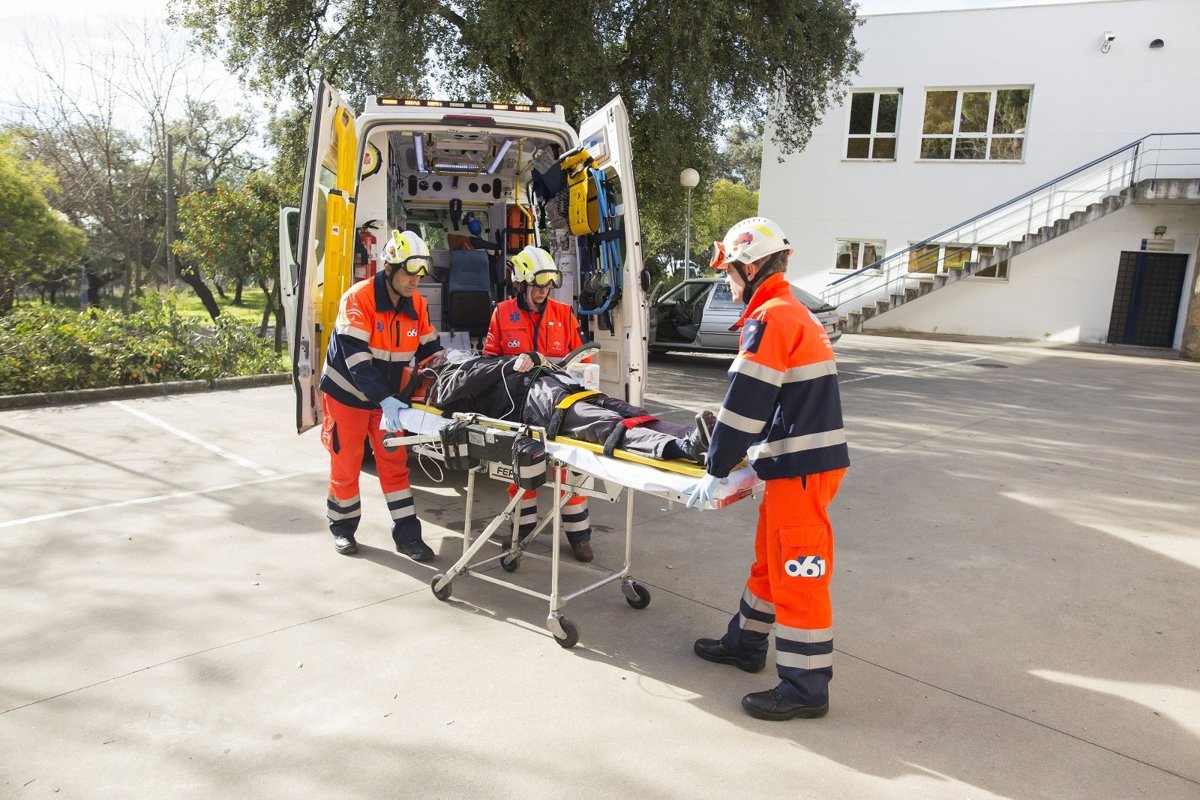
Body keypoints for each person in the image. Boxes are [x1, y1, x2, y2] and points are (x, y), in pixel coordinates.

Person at [685, 217, 850, 722]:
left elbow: (746, 404)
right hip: (796, 465)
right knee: (771, 561)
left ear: (751, 267)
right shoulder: (790, 311)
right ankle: (746, 643)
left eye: (730, 272)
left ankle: (805, 687)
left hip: (801, 467)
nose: (727, 282)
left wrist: (717, 465)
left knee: (799, 575)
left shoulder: (772, 317)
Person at [319, 229, 444, 561]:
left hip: (389, 400)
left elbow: (431, 352)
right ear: (388, 269)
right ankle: (343, 529)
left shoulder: (417, 304)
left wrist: (448, 373)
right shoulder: (357, 299)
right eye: (408, 274)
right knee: (346, 463)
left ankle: (408, 537)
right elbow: (357, 361)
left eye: (420, 275)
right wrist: (386, 400)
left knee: (395, 465)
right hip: (347, 396)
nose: (415, 282)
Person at [483, 245, 596, 562]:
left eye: (548, 285)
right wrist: (514, 364)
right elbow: (489, 363)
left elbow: (582, 361)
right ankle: (521, 530)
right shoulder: (502, 313)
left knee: (569, 471)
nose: (543, 291)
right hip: (518, 406)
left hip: (559, 406)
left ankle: (580, 536)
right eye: (537, 285)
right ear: (521, 283)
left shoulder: (563, 314)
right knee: (521, 470)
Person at [420, 349, 714, 465]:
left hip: (557, 386)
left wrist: (535, 358)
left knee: (628, 411)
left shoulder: (481, 362)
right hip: (537, 404)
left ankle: (698, 437)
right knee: (606, 424)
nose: (453, 352)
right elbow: (455, 389)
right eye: (444, 355)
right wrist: (508, 363)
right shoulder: (448, 378)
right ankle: (684, 448)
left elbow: (523, 365)